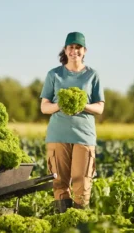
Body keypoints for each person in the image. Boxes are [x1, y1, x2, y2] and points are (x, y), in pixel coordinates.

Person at [39, 31, 105, 213]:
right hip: (58, 134)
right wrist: (59, 105)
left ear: (84, 51)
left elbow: (100, 107)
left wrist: (84, 105)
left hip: (84, 135)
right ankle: (62, 220)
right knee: (59, 181)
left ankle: (79, 222)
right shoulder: (54, 74)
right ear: (65, 50)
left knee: (82, 180)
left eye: (78, 47)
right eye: (71, 47)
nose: (74, 51)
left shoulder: (92, 75)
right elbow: (44, 107)